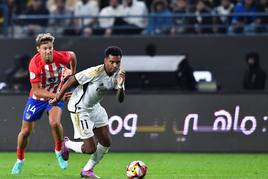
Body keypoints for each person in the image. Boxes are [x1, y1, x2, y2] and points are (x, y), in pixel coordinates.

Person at [49, 46, 126, 178]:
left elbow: (120, 99)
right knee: (90, 149)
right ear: (105, 60)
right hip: (80, 108)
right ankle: (67, 144)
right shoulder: (95, 72)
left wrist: (120, 85)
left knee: (106, 142)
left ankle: (87, 170)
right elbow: (72, 79)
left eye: (117, 62)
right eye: (111, 62)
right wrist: (58, 97)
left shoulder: (119, 75)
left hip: (95, 107)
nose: (115, 65)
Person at [11, 33, 77, 175]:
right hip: (37, 99)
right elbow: (37, 91)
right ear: (38, 49)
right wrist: (59, 95)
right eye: (45, 48)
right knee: (26, 131)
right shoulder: (34, 64)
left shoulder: (60, 57)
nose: (48, 51)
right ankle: (20, 160)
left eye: (50, 48)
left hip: (55, 97)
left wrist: (72, 74)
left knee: (54, 122)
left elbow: (72, 55)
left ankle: (59, 151)